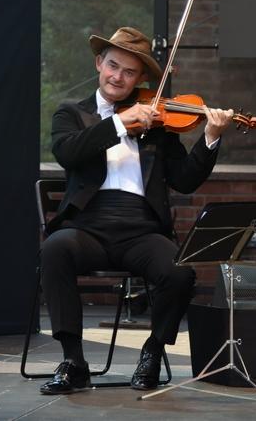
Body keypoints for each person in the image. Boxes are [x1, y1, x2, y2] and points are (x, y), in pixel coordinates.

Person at [38, 26, 233, 394]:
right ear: (99, 63)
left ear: (141, 79)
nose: (118, 77)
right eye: (113, 66)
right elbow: (68, 153)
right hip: (87, 227)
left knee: (180, 272)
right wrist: (119, 123)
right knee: (54, 250)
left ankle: (152, 352)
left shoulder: (157, 125)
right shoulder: (72, 114)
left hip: (141, 230)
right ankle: (74, 361)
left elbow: (184, 180)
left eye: (129, 72)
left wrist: (210, 137)